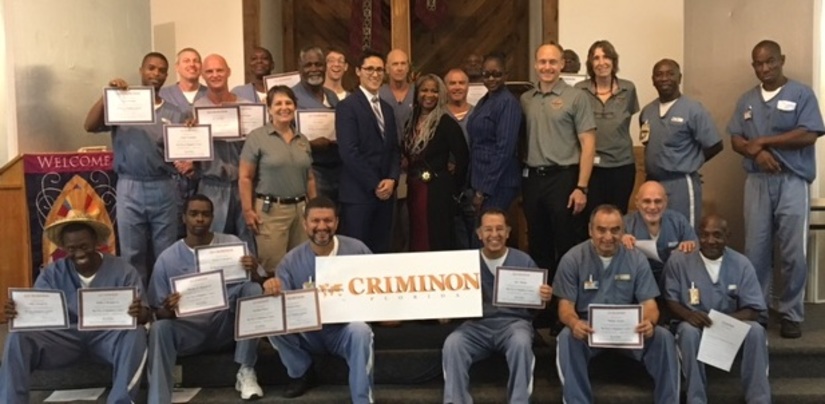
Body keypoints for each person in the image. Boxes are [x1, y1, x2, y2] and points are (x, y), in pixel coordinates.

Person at [727, 40, 825, 338]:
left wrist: (766, 142)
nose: (765, 68)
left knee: (793, 251)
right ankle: (757, 309)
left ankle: (791, 313)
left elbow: (810, 133)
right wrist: (756, 152)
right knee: (755, 249)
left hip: (792, 180)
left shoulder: (801, 94)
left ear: (782, 59)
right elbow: (736, 139)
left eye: (770, 61)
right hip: (757, 182)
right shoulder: (746, 100)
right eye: (758, 63)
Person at [0, 211, 150, 404]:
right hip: (65, 339)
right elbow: (36, 316)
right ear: (63, 248)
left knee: (135, 333)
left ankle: (120, 400)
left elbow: (145, 314)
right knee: (17, 336)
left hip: (107, 337)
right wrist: (20, 312)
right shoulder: (52, 273)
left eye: (84, 246)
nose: (79, 253)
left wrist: (140, 313)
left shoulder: (123, 270)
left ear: (96, 242)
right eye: (71, 248)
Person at [554, 205, 679, 404]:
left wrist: (649, 322)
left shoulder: (636, 258)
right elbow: (565, 307)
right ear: (590, 230)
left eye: (615, 230)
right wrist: (574, 323)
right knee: (567, 337)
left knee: (663, 337)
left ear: (623, 231)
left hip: (629, 330)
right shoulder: (573, 258)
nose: (608, 236)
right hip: (589, 329)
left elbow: (650, 304)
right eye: (601, 229)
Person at [83, 52, 189, 284]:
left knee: (165, 253)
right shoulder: (121, 103)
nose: (156, 74)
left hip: (164, 186)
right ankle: (138, 307)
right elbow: (89, 125)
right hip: (130, 185)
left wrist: (192, 137)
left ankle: (163, 305)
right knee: (133, 253)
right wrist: (107, 96)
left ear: (166, 75)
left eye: (162, 70)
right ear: (141, 70)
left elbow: (185, 151)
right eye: (151, 68)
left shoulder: (175, 112)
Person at [147, 194, 265, 402]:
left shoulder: (232, 244)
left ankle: (246, 370)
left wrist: (254, 271)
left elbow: (260, 284)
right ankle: (158, 398)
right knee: (160, 328)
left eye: (205, 214)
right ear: (184, 218)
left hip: (225, 326)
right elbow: (157, 311)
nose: (199, 219)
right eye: (193, 214)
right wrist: (168, 308)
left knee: (252, 289)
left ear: (212, 217)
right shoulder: (167, 258)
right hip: (189, 331)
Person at [263, 196, 374, 402]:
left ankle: (362, 399)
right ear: (305, 224)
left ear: (337, 223)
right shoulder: (290, 261)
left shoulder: (358, 250)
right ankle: (300, 371)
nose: (322, 226)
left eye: (328, 220)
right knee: (272, 322)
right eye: (315, 221)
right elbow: (282, 309)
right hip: (308, 334)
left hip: (343, 331)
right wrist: (271, 290)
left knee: (361, 330)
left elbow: (377, 287)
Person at [442, 208, 552, 404]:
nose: (494, 235)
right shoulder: (465, 263)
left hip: (513, 325)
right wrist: (447, 309)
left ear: (508, 232)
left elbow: (537, 307)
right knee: (453, 344)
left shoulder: (523, 261)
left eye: (500, 229)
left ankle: (519, 401)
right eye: (488, 229)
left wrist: (545, 297)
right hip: (476, 326)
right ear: (479, 234)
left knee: (521, 343)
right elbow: (452, 299)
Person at [663, 214, 770, 404]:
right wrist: (688, 315)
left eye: (717, 235)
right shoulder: (679, 261)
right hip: (693, 326)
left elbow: (754, 308)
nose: (710, 241)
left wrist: (723, 321)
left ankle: (758, 399)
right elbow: (670, 300)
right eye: (704, 235)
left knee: (756, 331)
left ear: (727, 237)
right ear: (698, 235)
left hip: (729, 325)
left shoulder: (741, 264)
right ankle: (696, 399)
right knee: (687, 332)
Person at [521, 43, 596, 275]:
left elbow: (589, 143)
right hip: (533, 179)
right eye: (542, 62)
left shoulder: (576, 98)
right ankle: (543, 307)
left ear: (562, 64)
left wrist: (581, 187)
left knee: (566, 244)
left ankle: (566, 303)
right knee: (537, 242)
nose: (547, 67)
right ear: (535, 65)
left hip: (564, 179)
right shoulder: (526, 99)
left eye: (553, 62)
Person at [240, 85, 316, 273]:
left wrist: (314, 208)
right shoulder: (257, 137)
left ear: (295, 106)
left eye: (288, 103)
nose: (284, 107)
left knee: (302, 265)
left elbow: (310, 178)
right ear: (269, 109)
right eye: (278, 103)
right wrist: (248, 210)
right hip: (271, 212)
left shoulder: (302, 139)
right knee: (273, 268)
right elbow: (245, 177)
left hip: (301, 212)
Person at [640, 59, 723, 229]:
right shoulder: (647, 111)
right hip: (654, 182)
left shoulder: (693, 109)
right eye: (659, 74)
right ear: (653, 79)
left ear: (679, 78)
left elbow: (715, 145)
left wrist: (691, 163)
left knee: (684, 233)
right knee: (656, 232)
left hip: (681, 184)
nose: (664, 78)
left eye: (670, 74)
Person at [335, 49, 401, 253]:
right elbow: (349, 152)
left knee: (381, 252)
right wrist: (375, 184)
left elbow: (394, 150)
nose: (375, 74)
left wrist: (392, 179)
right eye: (369, 69)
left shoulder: (387, 109)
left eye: (380, 70)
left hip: (386, 196)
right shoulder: (347, 106)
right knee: (357, 254)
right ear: (357, 71)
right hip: (359, 196)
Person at [194, 54, 256, 254]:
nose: (215, 75)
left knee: (248, 241)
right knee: (212, 243)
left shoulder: (248, 107)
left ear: (228, 72)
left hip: (243, 185)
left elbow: (258, 146)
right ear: (203, 75)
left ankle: (250, 284)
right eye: (209, 71)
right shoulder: (195, 110)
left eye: (219, 70)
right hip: (211, 186)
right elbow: (188, 148)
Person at [403, 74, 469, 251]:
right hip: (414, 188)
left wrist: (453, 186)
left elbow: (463, 158)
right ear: (417, 93)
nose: (429, 95)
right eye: (424, 90)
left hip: (438, 191)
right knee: (415, 233)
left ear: (441, 95)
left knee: (436, 237)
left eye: (434, 91)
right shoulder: (410, 122)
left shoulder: (446, 123)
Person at [575, 40, 639, 214]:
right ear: (590, 63)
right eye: (596, 58)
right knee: (593, 218)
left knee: (618, 216)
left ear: (614, 61)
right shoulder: (579, 91)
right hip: (591, 168)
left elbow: (626, 122)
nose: (601, 62)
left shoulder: (628, 89)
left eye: (606, 57)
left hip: (622, 166)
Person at [158, 47, 207, 238]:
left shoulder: (210, 95)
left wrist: (195, 164)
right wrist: (176, 162)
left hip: (201, 174)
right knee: (172, 230)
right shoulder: (162, 95)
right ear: (177, 67)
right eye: (186, 61)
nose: (192, 64)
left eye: (196, 61)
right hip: (171, 175)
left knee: (201, 227)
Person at [467, 53, 522, 215]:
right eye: (486, 74)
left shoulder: (507, 103)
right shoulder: (485, 100)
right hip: (481, 178)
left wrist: (483, 191)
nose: (491, 79)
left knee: (489, 234)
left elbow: (504, 150)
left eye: (496, 74)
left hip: (498, 183)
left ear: (506, 75)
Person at [292, 46, 342, 203]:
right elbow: (282, 138)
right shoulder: (291, 97)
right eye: (308, 65)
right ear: (300, 69)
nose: (314, 69)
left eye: (318, 64)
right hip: (311, 171)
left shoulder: (331, 96)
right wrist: (310, 144)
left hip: (337, 169)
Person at [622, 181, 696, 284]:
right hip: (637, 281)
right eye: (647, 201)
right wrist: (620, 242)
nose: (652, 207)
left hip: (672, 280)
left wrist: (689, 246)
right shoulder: (624, 224)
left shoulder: (678, 221)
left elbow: (695, 247)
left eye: (658, 201)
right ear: (637, 202)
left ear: (665, 202)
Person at [444, 68, 476, 249]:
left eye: (461, 83)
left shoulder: (478, 114)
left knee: (475, 237)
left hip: (473, 187)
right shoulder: (438, 115)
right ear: (445, 87)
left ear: (468, 86)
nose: (457, 87)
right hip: (448, 188)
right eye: (452, 83)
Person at [380, 48, 415, 138]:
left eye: (403, 64)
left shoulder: (417, 92)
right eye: (395, 64)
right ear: (387, 69)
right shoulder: (379, 94)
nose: (399, 68)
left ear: (408, 68)